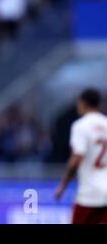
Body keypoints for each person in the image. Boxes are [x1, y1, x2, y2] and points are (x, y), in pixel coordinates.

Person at [55, 88, 107, 224]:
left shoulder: (80, 126)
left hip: (89, 195)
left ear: (83, 103)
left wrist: (63, 185)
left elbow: (76, 158)